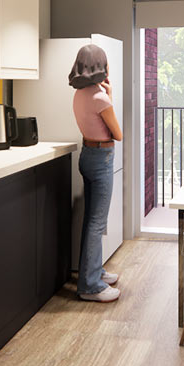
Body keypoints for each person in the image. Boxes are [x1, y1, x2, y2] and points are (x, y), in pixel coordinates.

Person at [69, 44, 124, 303]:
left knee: (91, 220)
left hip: (87, 156)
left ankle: (93, 271)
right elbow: (119, 134)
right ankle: (90, 285)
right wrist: (110, 96)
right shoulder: (100, 98)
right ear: (99, 66)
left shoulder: (80, 94)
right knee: (96, 223)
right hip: (102, 159)